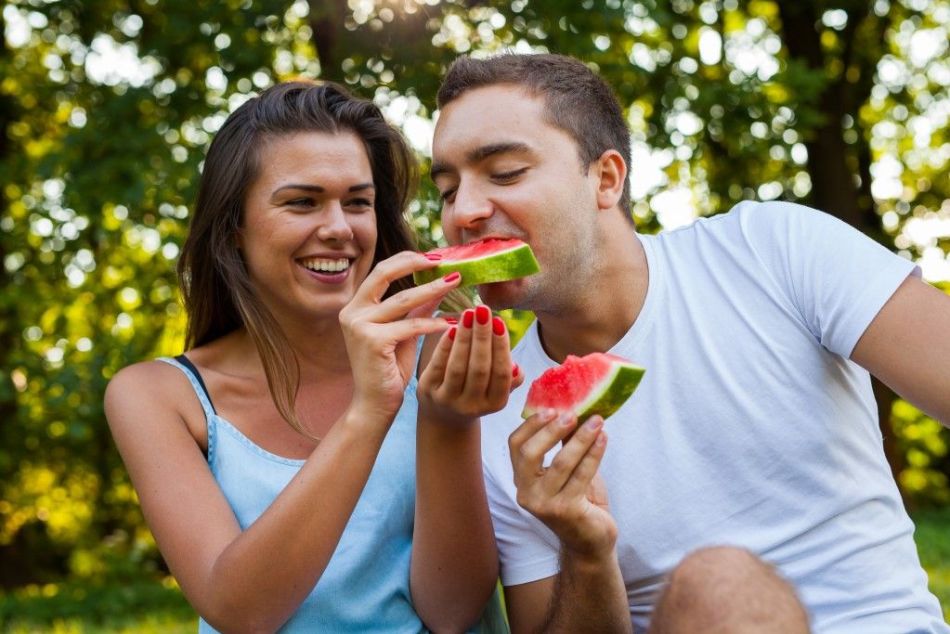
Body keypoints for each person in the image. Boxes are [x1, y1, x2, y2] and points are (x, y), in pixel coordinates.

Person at [429, 53, 950, 633]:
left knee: (719, 583)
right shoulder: (499, 419)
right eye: (448, 191)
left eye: (503, 174)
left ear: (605, 179)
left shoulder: (774, 251)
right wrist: (585, 549)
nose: (465, 213)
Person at [104, 80, 515, 632]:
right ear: (233, 231)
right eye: (302, 202)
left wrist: (447, 420)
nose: (339, 229)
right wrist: (369, 413)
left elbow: (453, 611)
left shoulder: (441, 354)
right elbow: (238, 609)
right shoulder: (158, 395)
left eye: (358, 202)